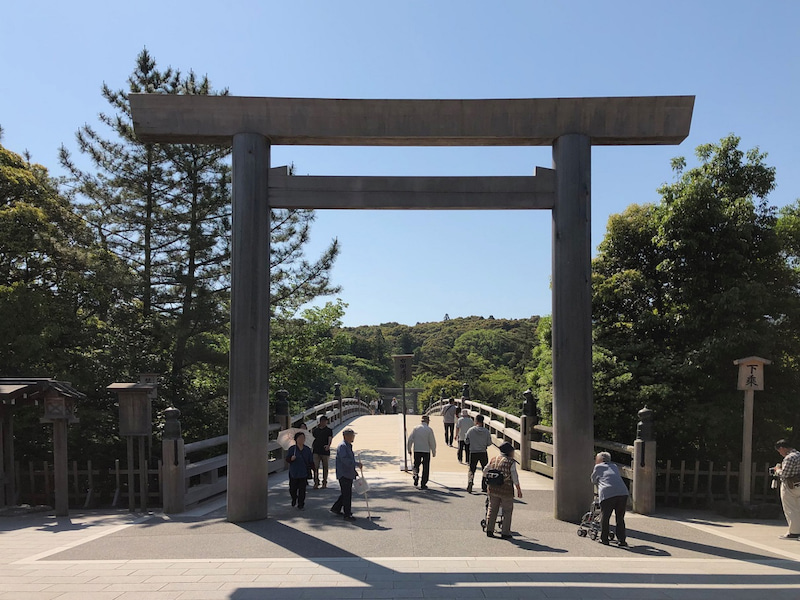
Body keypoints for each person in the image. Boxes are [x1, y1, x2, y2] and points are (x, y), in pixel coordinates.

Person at [484, 442, 523, 539]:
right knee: (507, 511)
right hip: (506, 490)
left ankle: (489, 529)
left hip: (493, 488)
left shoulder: (494, 459)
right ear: (509, 452)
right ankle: (505, 532)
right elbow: (514, 476)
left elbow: (485, 471)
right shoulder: (511, 462)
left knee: (492, 509)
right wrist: (518, 489)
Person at [591, 451, 629, 547]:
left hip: (608, 493)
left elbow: (593, 480)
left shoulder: (598, 467)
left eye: (596, 459)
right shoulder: (614, 466)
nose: (595, 461)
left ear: (600, 460)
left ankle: (604, 539)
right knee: (620, 517)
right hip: (622, 492)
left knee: (605, 516)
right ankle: (622, 540)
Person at [330, 427, 362, 521]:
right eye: (352, 435)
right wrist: (356, 464)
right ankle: (347, 514)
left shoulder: (348, 445)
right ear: (346, 436)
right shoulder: (342, 446)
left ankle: (336, 508)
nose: (353, 437)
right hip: (343, 473)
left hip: (348, 473)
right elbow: (344, 460)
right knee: (347, 494)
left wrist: (354, 470)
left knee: (345, 493)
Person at [773, 439, 800, 539]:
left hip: (790, 486)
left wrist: (778, 470)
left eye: (779, 451)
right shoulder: (798, 455)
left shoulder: (789, 458)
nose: (780, 453)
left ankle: (794, 532)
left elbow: (785, 474)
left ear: (782, 448)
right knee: (798, 508)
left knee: (790, 509)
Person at [407, 414, 437, 489]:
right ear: (427, 421)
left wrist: (409, 449)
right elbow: (432, 442)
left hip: (417, 449)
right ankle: (423, 483)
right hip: (426, 450)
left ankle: (415, 475)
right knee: (426, 467)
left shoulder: (416, 428)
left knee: (416, 464)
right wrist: (433, 451)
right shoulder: (429, 429)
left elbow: (410, 439)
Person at [286, 431, 314, 510]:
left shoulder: (307, 449)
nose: (302, 439)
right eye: (300, 438)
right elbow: (287, 459)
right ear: (296, 439)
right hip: (294, 472)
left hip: (303, 472)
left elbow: (310, 461)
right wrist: (291, 459)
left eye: (303, 438)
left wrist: (314, 470)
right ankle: (294, 498)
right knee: (292, 489)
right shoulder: (292, 449)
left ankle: (301, 503)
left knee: (302, 489)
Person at [465, 414, 492, 493]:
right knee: (485, 469)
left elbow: (466, 441)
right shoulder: (486, 431)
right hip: (483, 452)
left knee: (471, 469)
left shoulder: (471, 430)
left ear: (476, 421)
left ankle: (470, 481)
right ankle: (484, 486)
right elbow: (489, 443)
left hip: (473, 452)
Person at [311, 415, 333, 489]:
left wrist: (328, 445)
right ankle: (316, 482)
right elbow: (312, 439)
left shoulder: (329, 430)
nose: (323, 422)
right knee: (315, 467)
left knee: (325, 467)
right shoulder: (315, 430)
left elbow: (330, 439)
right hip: (316, 450)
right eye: (322, 421)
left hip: (325, 451)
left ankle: (324, 482)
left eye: (325, 421)